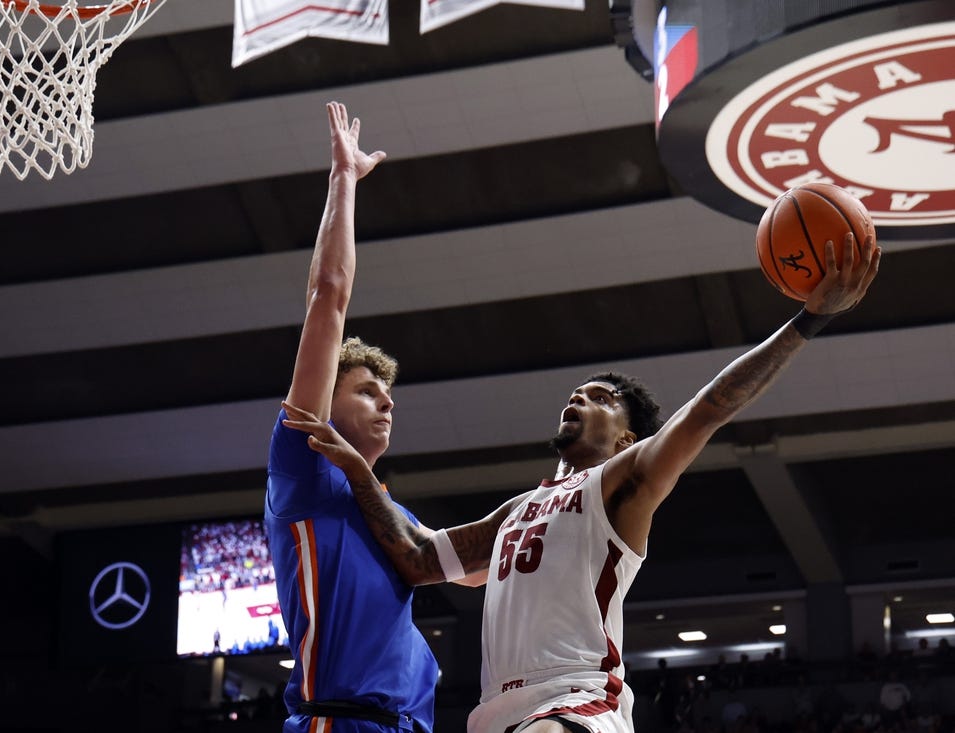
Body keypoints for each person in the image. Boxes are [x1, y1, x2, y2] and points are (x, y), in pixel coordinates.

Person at [282, 229, 880, 733]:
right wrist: (360, 472)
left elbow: (710, 407)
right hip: (498, 714)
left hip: (577, 701)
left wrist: (810, 319)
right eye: (579, 390)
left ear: (627, 439)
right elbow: (414, 558)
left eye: (603, 398)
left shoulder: (622, 484)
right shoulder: (517, 511)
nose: (580, 395)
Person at [266, 102, 520, 733]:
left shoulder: (388, 512)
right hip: (339, 722)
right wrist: (343, 183)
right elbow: (329, 294)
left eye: (389, 393)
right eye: (368, 390)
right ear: (326, 403)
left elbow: (475, 570)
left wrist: (563, 507)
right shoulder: (303, 466)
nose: (388, 401)